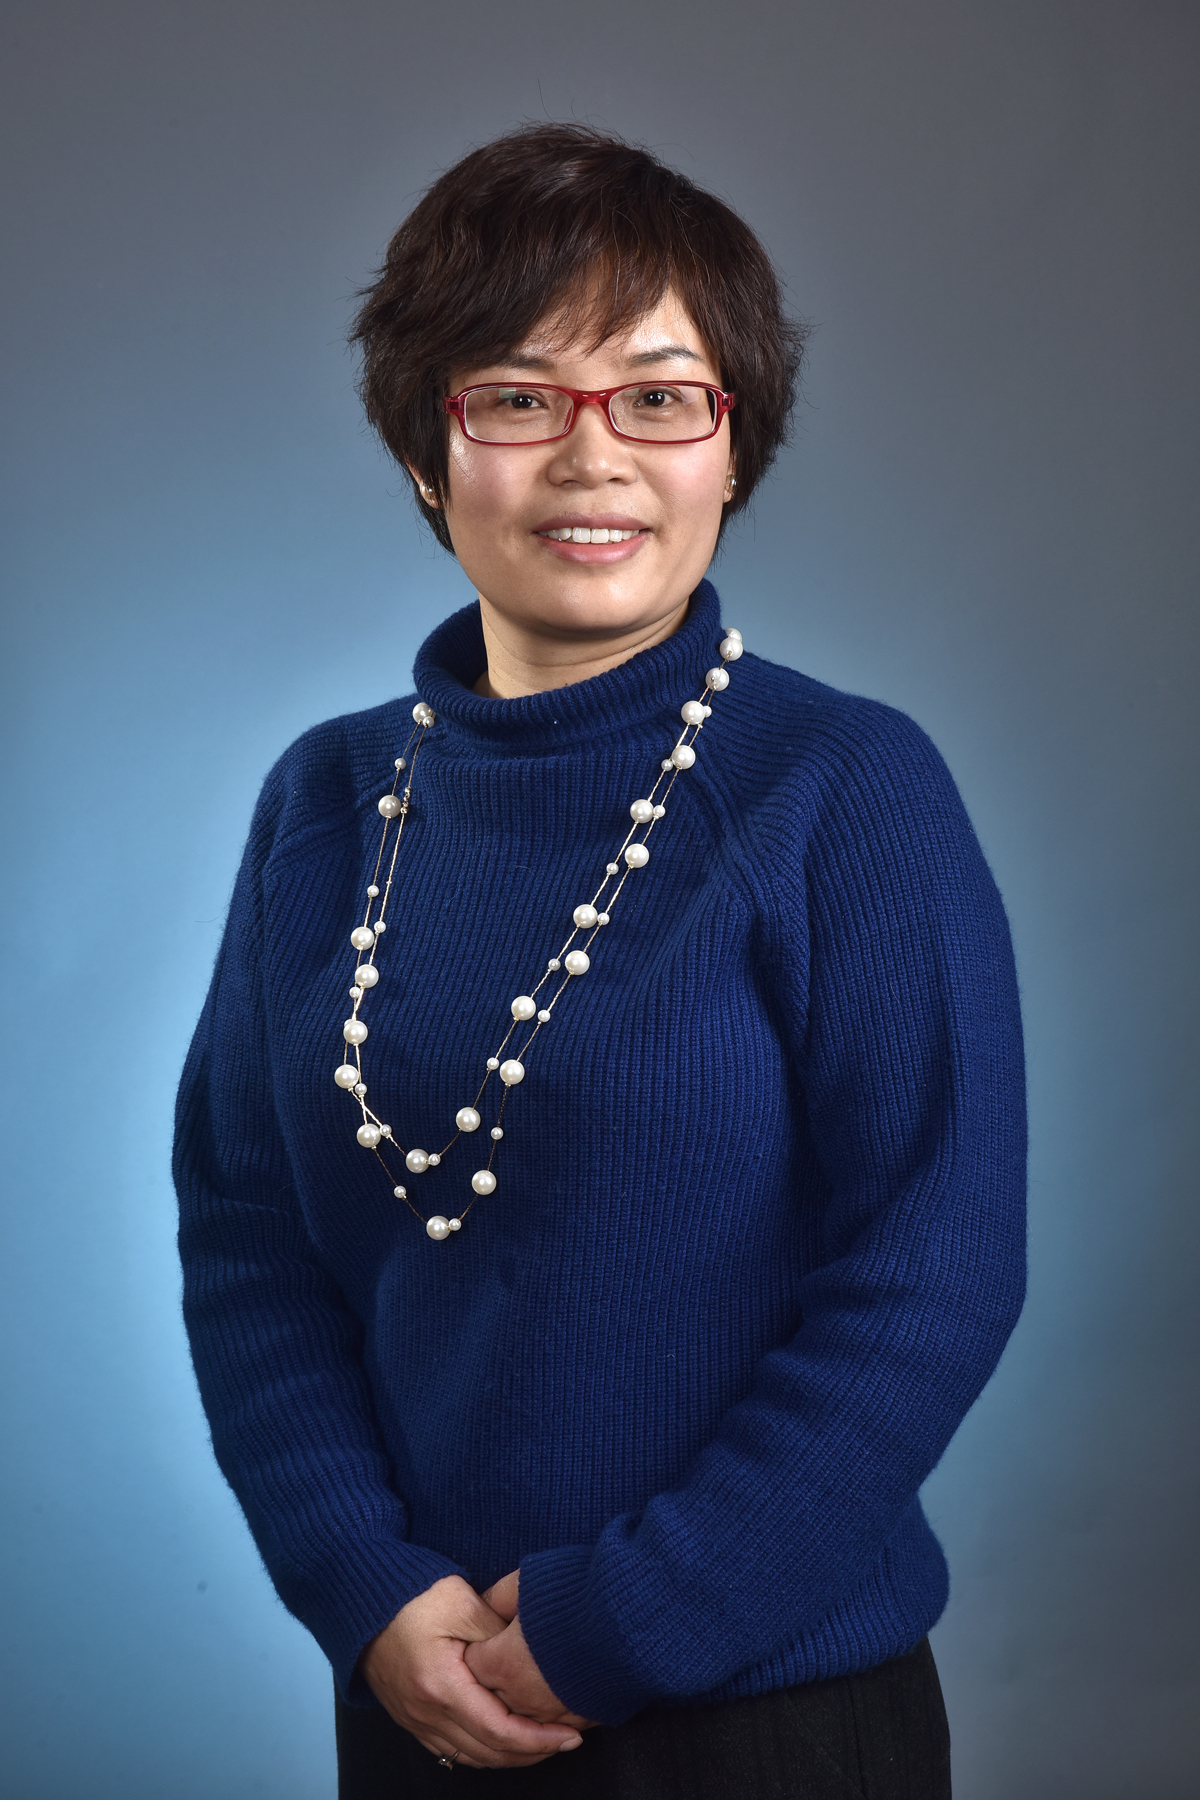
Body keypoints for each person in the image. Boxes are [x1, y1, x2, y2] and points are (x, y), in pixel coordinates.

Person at [174, 123, 1026, 1798]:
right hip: (422, 1703)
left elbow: (934, 1270)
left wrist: (622, 1620)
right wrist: (365, 1590)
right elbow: (248, 1242)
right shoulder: (323, 803)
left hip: (770, 1718)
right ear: (427, 454)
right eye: (516, 397)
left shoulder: (843, 788)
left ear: (732, 448)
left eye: (658, 397)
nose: (593, 458)